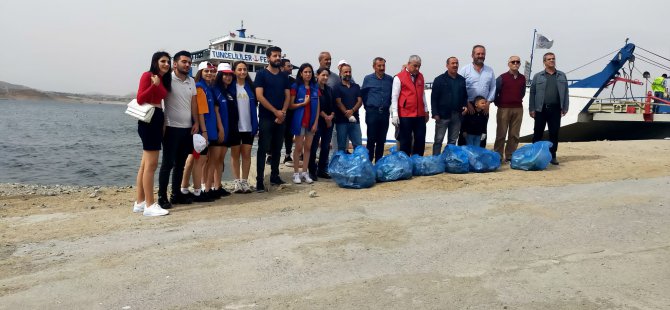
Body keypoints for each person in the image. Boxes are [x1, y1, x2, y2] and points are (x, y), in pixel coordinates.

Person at [157, 51, 199, 209]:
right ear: (175, 64)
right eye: (184, 62)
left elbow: (194, 104)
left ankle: (176, 194)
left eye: (189, 62)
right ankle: (162, 196)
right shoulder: (167, 79)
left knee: (180, 164)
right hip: (171, 128)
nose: (187, 64)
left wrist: (196, 122)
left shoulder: (191, 81)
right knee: (167, 164)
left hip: (187, 128)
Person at [133, 51, 171, 216]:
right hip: (148, 119)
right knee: (151, 165)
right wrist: (153, 85)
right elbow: (140, 99)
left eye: (168, 62)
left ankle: (140, 202)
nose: (166, 64)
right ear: (155, 61)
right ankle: (150, 205)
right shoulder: (148, 75)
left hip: (156, 119)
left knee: (144, 164)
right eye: (163, 61)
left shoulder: (162, 79)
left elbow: (161, 100)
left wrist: (163, 123)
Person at [254, 46, 290, 192]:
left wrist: (283, 113)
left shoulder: (284, 76)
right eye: (274, 56)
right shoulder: (261, 74)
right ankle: (259, 180)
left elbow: (287, 96)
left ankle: (275, 175)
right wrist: (276, 112)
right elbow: (259, 96)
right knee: (263, 149)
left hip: (281, 117)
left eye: (279, 55)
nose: (277, 58)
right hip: (266, 118)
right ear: (268, 58)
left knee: (277, 148)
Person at [530, 52, 569, 165]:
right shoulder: (538, 76)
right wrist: (532, 109)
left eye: (553, 59)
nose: (551, 60)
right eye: (549, 59)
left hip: (556, 109)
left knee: (554, 133)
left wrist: (565, 107)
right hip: (540, 109)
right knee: (538, 133)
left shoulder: (562, 75)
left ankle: (553, 156)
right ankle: (535, 155)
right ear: (544, 62)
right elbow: (532, 93)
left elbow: (566, 92)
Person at [227, 61, 258, 193]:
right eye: (239, 69)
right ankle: (236, 182)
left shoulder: (250, 88)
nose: (242, 72)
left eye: (245, 69)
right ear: (234, 71)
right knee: (235, 155)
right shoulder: (230, 88)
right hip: (235, 126)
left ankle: (244, 182)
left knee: (246, 154)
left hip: (248, 126)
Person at [458, 45, 496, 147]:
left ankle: (480, 155)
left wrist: (488, 102)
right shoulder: (465, 70)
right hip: (468, 106)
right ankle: (463, 158)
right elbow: (460, 88)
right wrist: (466, 103)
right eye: (478, 53)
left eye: (482, 54)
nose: (480, 56)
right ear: (472, 55)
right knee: (464, 133)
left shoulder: (490, 70)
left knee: (482, 132)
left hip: (484, 106)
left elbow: (493, 87)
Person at [391, 55, 429, 156]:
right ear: (408, 64)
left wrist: (426, 110)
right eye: (415, 66)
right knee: (405, 141)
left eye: (419, 66)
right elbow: (394, 96)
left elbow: (422, 95)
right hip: (405, 114)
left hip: (419, 114)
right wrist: (395, 114)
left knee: (420, 139)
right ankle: (405, 162)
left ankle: (418, 161)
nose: (417, 68)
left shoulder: (421, 76)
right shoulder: (398, 77)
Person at [193, 62, 220, 201]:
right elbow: (200, 112)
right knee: (200, 161)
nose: (209, 73)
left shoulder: (209, 88)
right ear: (200, 72)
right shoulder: (199, 88)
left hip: (211, 130)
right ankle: (198, 191)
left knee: (211, 161)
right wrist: (204, 131)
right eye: (206, 71)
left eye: (211, 71)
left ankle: (207, 189)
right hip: (204, 131)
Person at [289, 63, 320, 184]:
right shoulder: (295, 86)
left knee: (308, 148)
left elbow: (318, 106)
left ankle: (304, 172)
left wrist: (316, 121)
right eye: (305, 72)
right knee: (298, 148)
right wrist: (303, 104)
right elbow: (291, 105)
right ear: (301, 73)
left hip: (311, 122)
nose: (308, 74)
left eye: (310, 72)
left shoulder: (314, 87)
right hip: (299, 121)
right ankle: (296, 173)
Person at [430, 56, 467, 155]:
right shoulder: (439, 80)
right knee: (438, 140)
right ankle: (436, 160)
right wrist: (435, 113)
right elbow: (434, 98)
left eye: (456, 63)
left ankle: (449, 160)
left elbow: (464, 96)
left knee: (452, 141)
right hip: (442, 115)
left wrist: (465, 106)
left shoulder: (462, 80)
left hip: (457, 115)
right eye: (453, 63)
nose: (455, 65)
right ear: (447, 65)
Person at [493, 56, 526, 163]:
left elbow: (523, 92)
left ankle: (510, 155)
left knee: (514, 134)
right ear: (509, 64)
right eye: (513, 62)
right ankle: (498, 155)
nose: (515, 63)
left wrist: (516, 100)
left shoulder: (522, 78)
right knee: (501, 133)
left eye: (518, 62)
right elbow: (495, 92)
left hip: (518, 109)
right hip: (504, 109)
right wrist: (499, 104)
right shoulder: (502, 77)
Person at [361, 57, 393, 163]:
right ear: (374, 66)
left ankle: (378, 162)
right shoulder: (368, 79)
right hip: (372, 112)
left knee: (381, 139)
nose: (381, 68)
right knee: (371, 139)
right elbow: (363, 95)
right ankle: (369, 162)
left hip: (384, 113)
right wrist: (368, 107)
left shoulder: (389, 79)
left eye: (383, 65)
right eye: (379, 66)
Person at [308, 68, 335, 180]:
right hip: (317, 121)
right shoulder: (313, 89)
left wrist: (331, 116)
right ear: (317, 75)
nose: (325, 77)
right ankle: (312, 170)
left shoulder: (329, 89)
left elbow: (333, 105)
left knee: (325, 147)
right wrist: (325, 117)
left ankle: (322, 170)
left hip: (329, 122)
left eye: (327, 75)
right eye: (323, 75)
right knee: (314, 147)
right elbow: (316, 106)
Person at [333, 63, 363, 152]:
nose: (348, 74)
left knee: (358, 146)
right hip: (341, 122)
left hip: (355, 121)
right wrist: (348, 114)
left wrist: (352, 111)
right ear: (340, 73)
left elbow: (360, 101)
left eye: (349, 72)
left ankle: (358, 165)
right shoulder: (337, 87)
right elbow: (338, 102)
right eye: (345, 72)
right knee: (341, 147)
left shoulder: (356, 86)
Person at [280, 58, 295, 167]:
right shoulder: (276, 79)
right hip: (278, 111)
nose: (291, 68)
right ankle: (270, 155)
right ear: (282, 67)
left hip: (290, 112)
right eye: (288, 66)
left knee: (289, 134)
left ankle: (288, 154)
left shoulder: (293, 81)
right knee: (277, 135)